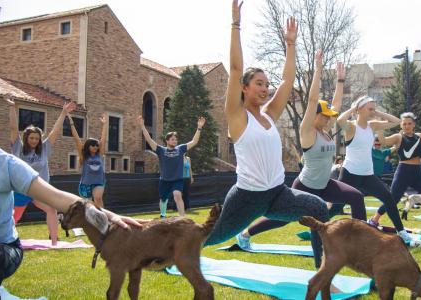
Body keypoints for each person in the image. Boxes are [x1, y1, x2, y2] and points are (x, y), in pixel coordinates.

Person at [204, 0, 329, 269]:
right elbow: (236, 69)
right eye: (259, 84)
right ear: (245, 88)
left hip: (278, 195)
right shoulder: (238, 118)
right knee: (208, 238)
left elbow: (287, 80)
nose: (265, 89)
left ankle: (322, 274)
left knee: (319, 209)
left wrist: (291, 45)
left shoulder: (270, 116)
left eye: (266, 85)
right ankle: (162, 255)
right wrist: (235, 24)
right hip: (247, 198)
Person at [0, 102, 144, 300]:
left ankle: (53, 241)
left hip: (2, 247)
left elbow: (60, 198)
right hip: (20, 196)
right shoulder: (20, 148)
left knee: (49, 211)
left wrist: (109, 216)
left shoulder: (4, 163)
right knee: (16, 216)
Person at [236, 53, 365, 247]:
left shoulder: (325, 130)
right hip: (305, 187)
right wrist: (318, 69)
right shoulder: (308, 132)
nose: (329, 119)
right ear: (315, 116)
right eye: (324, 116)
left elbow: (336, 106)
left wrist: (340, 80)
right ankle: (246, 233)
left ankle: (361, 240)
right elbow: (313, 100)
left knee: (356, 197)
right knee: (282, 220)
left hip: (325, 185)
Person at [335, 95, 417, 240]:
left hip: (367, 175)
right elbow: (340, 120)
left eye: (374, 109)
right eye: (370, 109)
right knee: (336, 206)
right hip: (350, 173)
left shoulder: (372, 125)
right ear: (359, 109)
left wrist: (377, 113)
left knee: (389, 198)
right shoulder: (351, 127)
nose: (373, 111)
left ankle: (401, 232)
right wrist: (353, 109)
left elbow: (397, 122)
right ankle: (319, 227)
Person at [5, 95, 76, 246]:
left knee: (51, 209)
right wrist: (11, 107)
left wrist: (63, 113)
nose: (34, 141)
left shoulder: (43, 149)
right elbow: (12, 128)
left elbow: (54, 133)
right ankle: (6, 241)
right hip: (20, 189)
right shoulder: (17, 147)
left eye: (37, 138)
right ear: (26, 138)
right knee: (13, 218)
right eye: (31, 138)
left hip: (39, 189)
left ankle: (55, 243)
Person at [137, 115, 205, 218]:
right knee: (163, 199)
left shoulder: (181, 149)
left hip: (177, 179)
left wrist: (199, 128)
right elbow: (149, 140)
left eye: (175, 140)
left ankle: (182, 218)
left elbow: (194, 141)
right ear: (167, 141)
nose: (175, 141)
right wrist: (142, 126)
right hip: (164, 180)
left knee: (177, 195)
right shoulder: (161, 150)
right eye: (173, 139)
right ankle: (163, 215)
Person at [68, 113, 108, 208]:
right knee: (87, 206)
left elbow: (103, 139)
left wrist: (105, 124)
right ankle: (88, 221)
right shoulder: (84, 156)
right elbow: (77, 140)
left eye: (96, 145)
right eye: (93, 145)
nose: (95, 147)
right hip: (85, 185)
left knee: (98, 198)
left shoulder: (99, 154)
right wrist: (71, 122)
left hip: (99, 182)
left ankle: (102, 219)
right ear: (88, 146)